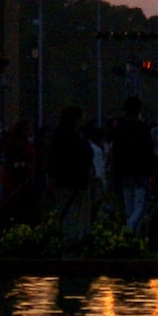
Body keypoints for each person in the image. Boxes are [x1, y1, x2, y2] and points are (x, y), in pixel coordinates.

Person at [48, 106, 95, 249]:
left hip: (68, 182)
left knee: (69, 215)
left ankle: (72, 243)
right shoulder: (73, 139)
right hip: (73, 183)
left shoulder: (59, 137)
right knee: (73, 217)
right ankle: (73, 245)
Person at [110, 96, 156, 232]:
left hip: (124, 171)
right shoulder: (143, 128)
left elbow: (116, 151)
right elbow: (148, 151)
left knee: (129, 207)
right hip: (141, 171)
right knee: (140, 207)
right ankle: (129, 232)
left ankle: (131, 238)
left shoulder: (120, 129)